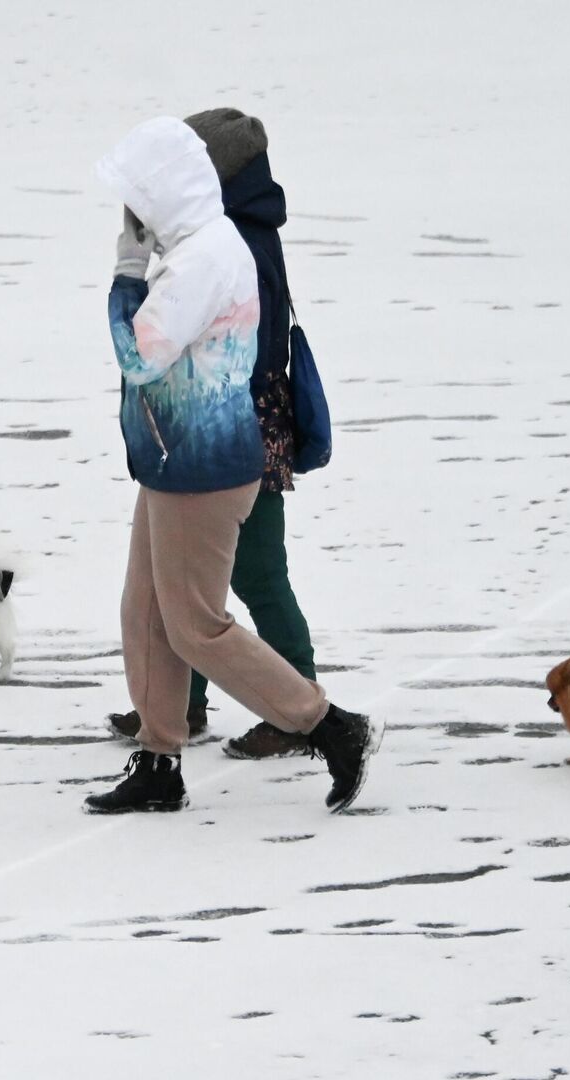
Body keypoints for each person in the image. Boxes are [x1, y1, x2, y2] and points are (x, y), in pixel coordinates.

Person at [84, 116, 382, 815]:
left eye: (136, 202)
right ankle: (159, 763)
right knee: (148, 612)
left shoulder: (205, 260)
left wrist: (126, 275)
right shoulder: (201, 246)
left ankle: (329, 726)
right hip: (171, 456)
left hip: (205, 467)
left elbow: (140, 354)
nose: (129, 217)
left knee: (196, 625)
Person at [104, 107, 319, 761]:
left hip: (236, 431)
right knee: (189, 582)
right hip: (229, 428)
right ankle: (184, 707)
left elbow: (210, 349)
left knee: (255, 575)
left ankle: (303, 707)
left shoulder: (235, 243)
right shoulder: (232, 233)